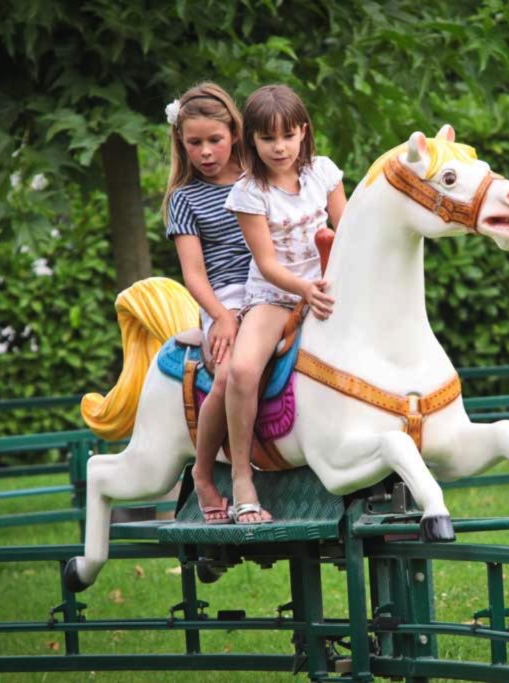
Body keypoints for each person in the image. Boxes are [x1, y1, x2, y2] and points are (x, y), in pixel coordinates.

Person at [223, 84, 347, 523]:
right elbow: (267, 263)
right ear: (251, 141)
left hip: (327, 286)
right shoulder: (249, 192)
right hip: (276, 295)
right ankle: (241, 474)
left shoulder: (323, 173)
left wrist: (334, 279)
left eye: (288, 136)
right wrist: (304, 289)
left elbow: (346, 228)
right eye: (268, 138)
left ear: (303, 133)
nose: (280, 147)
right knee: (241, 371)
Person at [162, 82, 249, 525]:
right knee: (230, 372)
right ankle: (202, 472)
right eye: (194, 143)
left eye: (214, 140)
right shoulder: (184, 199)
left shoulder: (258, 177)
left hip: (272, 286)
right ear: (182, 142)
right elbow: (194, 273)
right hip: (224, 297)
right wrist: (220, 316)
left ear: (233, 132)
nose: (206, 151)